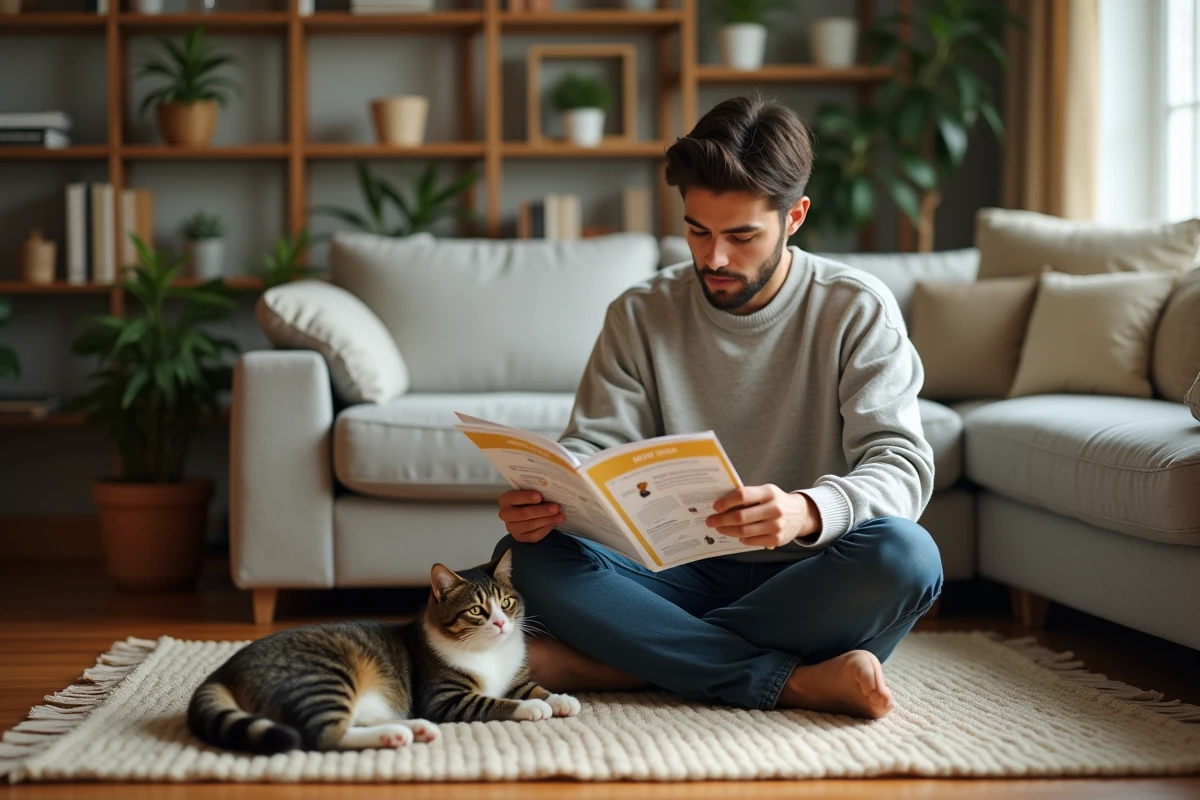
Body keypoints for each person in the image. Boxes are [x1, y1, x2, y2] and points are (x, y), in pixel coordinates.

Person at [490, 95, 942, 720]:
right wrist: (549, 499)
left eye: (741, 235)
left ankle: (625, 661)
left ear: (795, 217)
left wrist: (809, 509)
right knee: (533, 557)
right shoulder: (640, 312)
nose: (715, 258)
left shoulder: (855, 308)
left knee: (908, 557)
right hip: (675, 575)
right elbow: (593, 449)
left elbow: (902, 465)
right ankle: (792, 681)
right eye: (697, 230)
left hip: (811, 573)